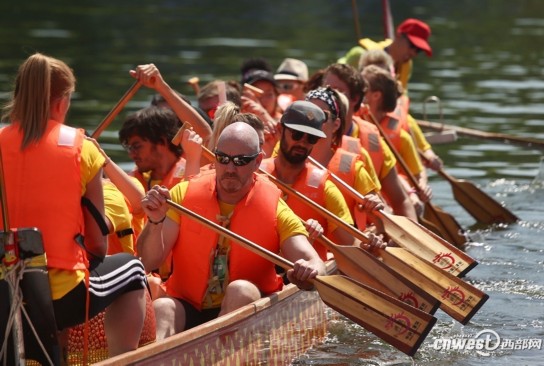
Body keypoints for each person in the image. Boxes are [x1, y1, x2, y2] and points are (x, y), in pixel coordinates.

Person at [0, 52, 147, 356]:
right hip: (60, 298)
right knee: (133, 269)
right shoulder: (81, 148)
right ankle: (121, 361)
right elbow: (97, 244)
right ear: (60, 102)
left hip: (3, 295)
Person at [137, 122, 326, 340]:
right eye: (223, 159)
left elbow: (315, 263)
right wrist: (154, 221)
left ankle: (220, 355)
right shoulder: (183, 194)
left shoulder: (274, 207)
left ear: (257, 161)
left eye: (240, 161)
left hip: (246, 308)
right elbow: (148, 261)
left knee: (240, 291)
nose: (229, 169)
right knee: (162, 307)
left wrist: (308, 269)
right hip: (189, 304)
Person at [260, 101, 384, 260]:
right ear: (280, 129)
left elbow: (351, 244)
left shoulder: (325, 188)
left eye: (311, 138)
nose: (302, 142)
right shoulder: (256, 174)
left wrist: (370, 244)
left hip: (306, 274)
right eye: (296, 134)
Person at [321, 63, 418, 221]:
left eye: (337, 90)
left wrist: (409, 238)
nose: (329, 95)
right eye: (326, 88)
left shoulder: (373, 141)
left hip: (365, 233)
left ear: (355, 99)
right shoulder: (304, 137)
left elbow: (401, 201)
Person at [306, 87, 383, 232]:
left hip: (345, 248)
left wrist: (375, 210)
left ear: (336, 125)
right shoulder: (285, 156)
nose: (312, 120)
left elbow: (382, 223)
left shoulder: (353, 166)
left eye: (321, 115)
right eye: (307, 114)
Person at [361, 65, 432, 214]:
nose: (358, 90)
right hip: (368, 201)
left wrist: (421, 188)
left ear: (376, 95)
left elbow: (418, 173)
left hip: (394, 202)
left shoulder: (401, 136)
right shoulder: (353, 125)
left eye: (363, 87)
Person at [358, 49, 443, 171]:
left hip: (397, 181)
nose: (378, 78)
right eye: (372, 73)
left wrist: (430, 157)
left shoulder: (401, 118)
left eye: (382, 74)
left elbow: (423, 147)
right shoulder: (352, 114)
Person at [338, 18, 432, 93]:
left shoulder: (407, 65)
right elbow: (333, 76)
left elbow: (402, 99)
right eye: (412, 46)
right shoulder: (361, 54)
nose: (413, 53)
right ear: (398, 35)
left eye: (419, 50)